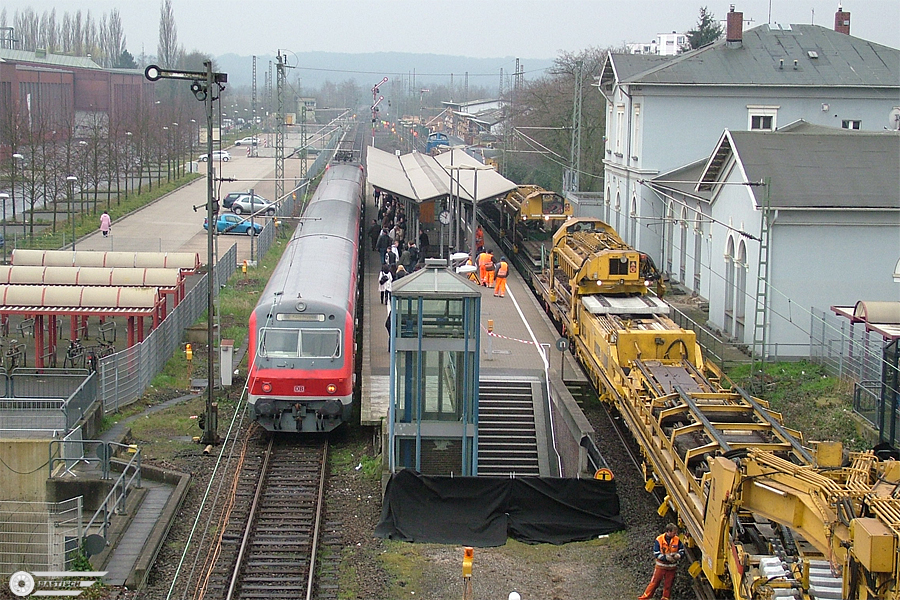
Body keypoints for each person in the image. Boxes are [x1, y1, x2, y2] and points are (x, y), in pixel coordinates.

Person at [638, 523, 684, 600]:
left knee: (668, 585)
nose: (675, 534)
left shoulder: (677, 539)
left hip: (671, 568)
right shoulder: (659, 540)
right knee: (654, 583)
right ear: (668, 531)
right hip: (661, 566)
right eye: (674, 532)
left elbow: (681, 550)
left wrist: (678, 555)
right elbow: (656, 553)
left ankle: (665, 598)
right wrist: (665, 558)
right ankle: (645, 597)